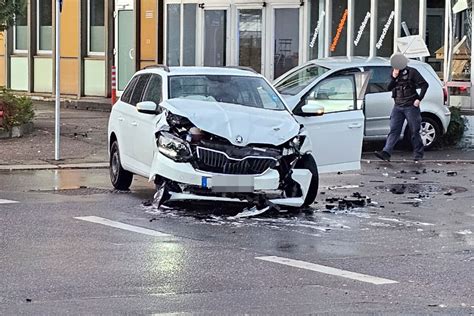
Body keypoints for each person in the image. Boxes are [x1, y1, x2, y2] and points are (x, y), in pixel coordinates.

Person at [374, 53, 429, 162]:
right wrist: (394, 77)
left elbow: (424, 85)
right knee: (394, 129)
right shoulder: (394, 73)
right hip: (398, 106)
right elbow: (389, 87)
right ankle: (386, 152)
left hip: (410, 106)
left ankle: (418, 154)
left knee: (414, 131)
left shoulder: (412, 72)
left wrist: (419, 99)